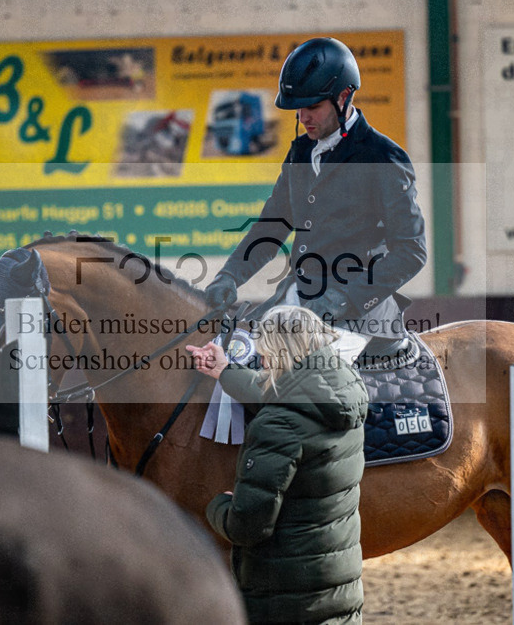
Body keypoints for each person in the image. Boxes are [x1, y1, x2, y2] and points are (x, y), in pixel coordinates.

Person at [203, 37, 426, 340]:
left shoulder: (382, 157)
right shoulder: (301, 153)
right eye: (298, 108)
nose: (303, 117)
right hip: (300, 300)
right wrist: (229, 276)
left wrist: (345, 298)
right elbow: (272, 229)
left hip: (358, 313)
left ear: (344, 96)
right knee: (237, 352)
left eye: (313, 107)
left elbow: (411, 251)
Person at [187, 305, 368, 624]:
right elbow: (284, 393)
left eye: (266, 353)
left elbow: (248, 526)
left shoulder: (278, 424)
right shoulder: (341, 391)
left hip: (285, 596)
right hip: (337, 589)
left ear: (281, 353)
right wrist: (225, 371)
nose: (262, 360)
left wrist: (218, 506)